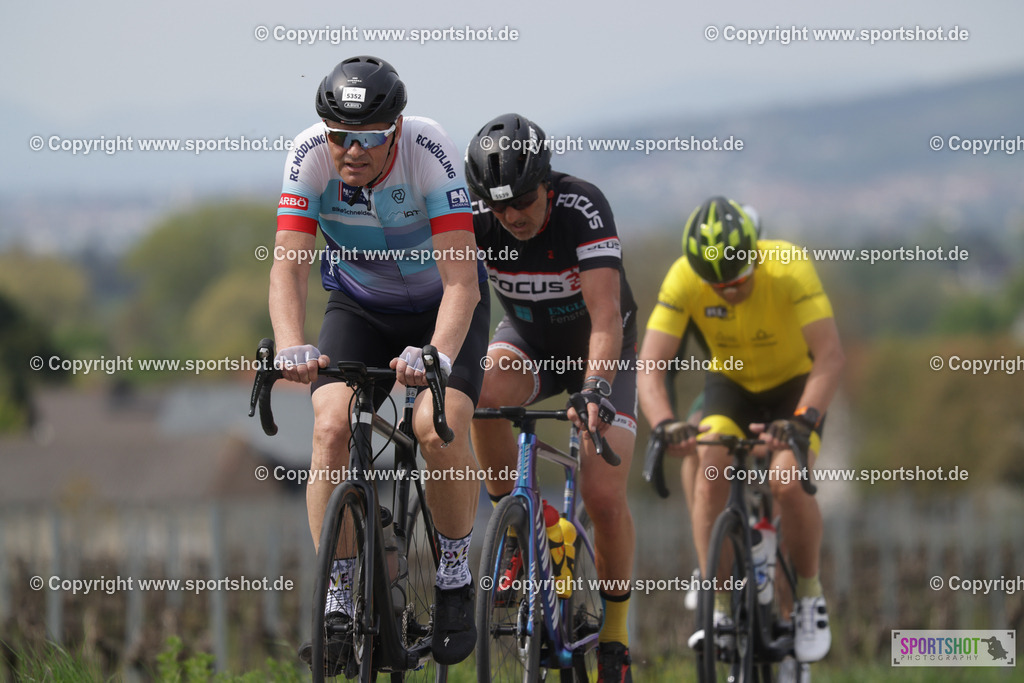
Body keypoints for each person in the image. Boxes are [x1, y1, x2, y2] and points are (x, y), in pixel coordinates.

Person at [269, 55, 489, 669]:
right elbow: (286, 266)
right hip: (360, 306)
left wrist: (439, 354)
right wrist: (290, 342)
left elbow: (463, 285)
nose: (352, 151)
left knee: (432, 426)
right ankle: (338, 598)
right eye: (341, 136)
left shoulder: (431, 149)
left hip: (443, 308)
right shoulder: (308, 155)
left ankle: (451, 572)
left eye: (368, 138)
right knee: (329, 425)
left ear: (395, 130)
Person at [465, 113, 639, 683]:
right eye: (498, 206)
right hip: (530, 344)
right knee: (482, 395)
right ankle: (519, 526)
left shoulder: (581, 207)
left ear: (546, 183)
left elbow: (606, 316)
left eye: (522, 201)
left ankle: (614, 634)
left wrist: (595, 388)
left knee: (602, 493)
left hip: (600, 346)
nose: (511, 216)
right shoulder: (477, 222)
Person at [637, 197, 844, 665]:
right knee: (709, 459)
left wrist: (803, 419)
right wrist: (665, 424)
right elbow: (650, 364)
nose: (728, 291)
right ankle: (721, 604)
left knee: (787, 482)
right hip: (730, 385)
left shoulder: (789, 266)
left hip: (795, 389)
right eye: (718, 286)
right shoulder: (683, 278)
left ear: (756, 253)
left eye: (738, 280)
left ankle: (809, 595)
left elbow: (830, 356)